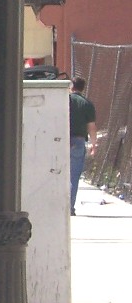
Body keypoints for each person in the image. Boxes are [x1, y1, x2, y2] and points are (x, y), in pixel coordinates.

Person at [69, 77, 97, 215]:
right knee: (73, 176)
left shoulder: (65, 100)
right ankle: (70, 207)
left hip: (60, 140)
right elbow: (91, 127)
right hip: (78, 141)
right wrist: (93, 144)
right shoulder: (87, 104)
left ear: (71, 86)